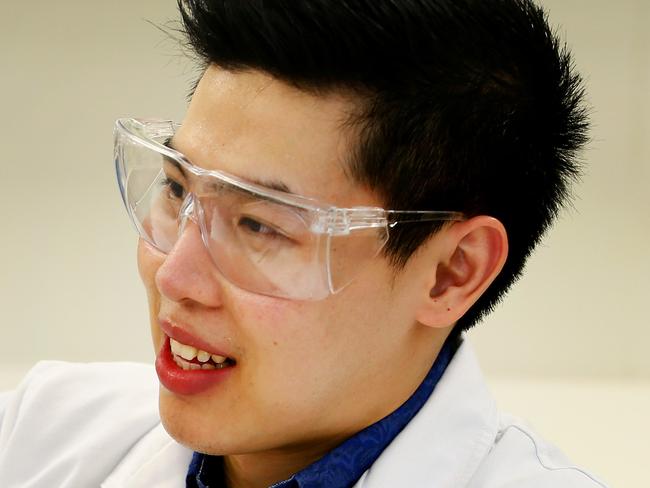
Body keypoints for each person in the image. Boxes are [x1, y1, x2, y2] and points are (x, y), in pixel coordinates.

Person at [0, 0, 608, 487]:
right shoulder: (38, 435)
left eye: (260, 226)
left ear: (451, 272)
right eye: (176, 188)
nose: (173, 277)